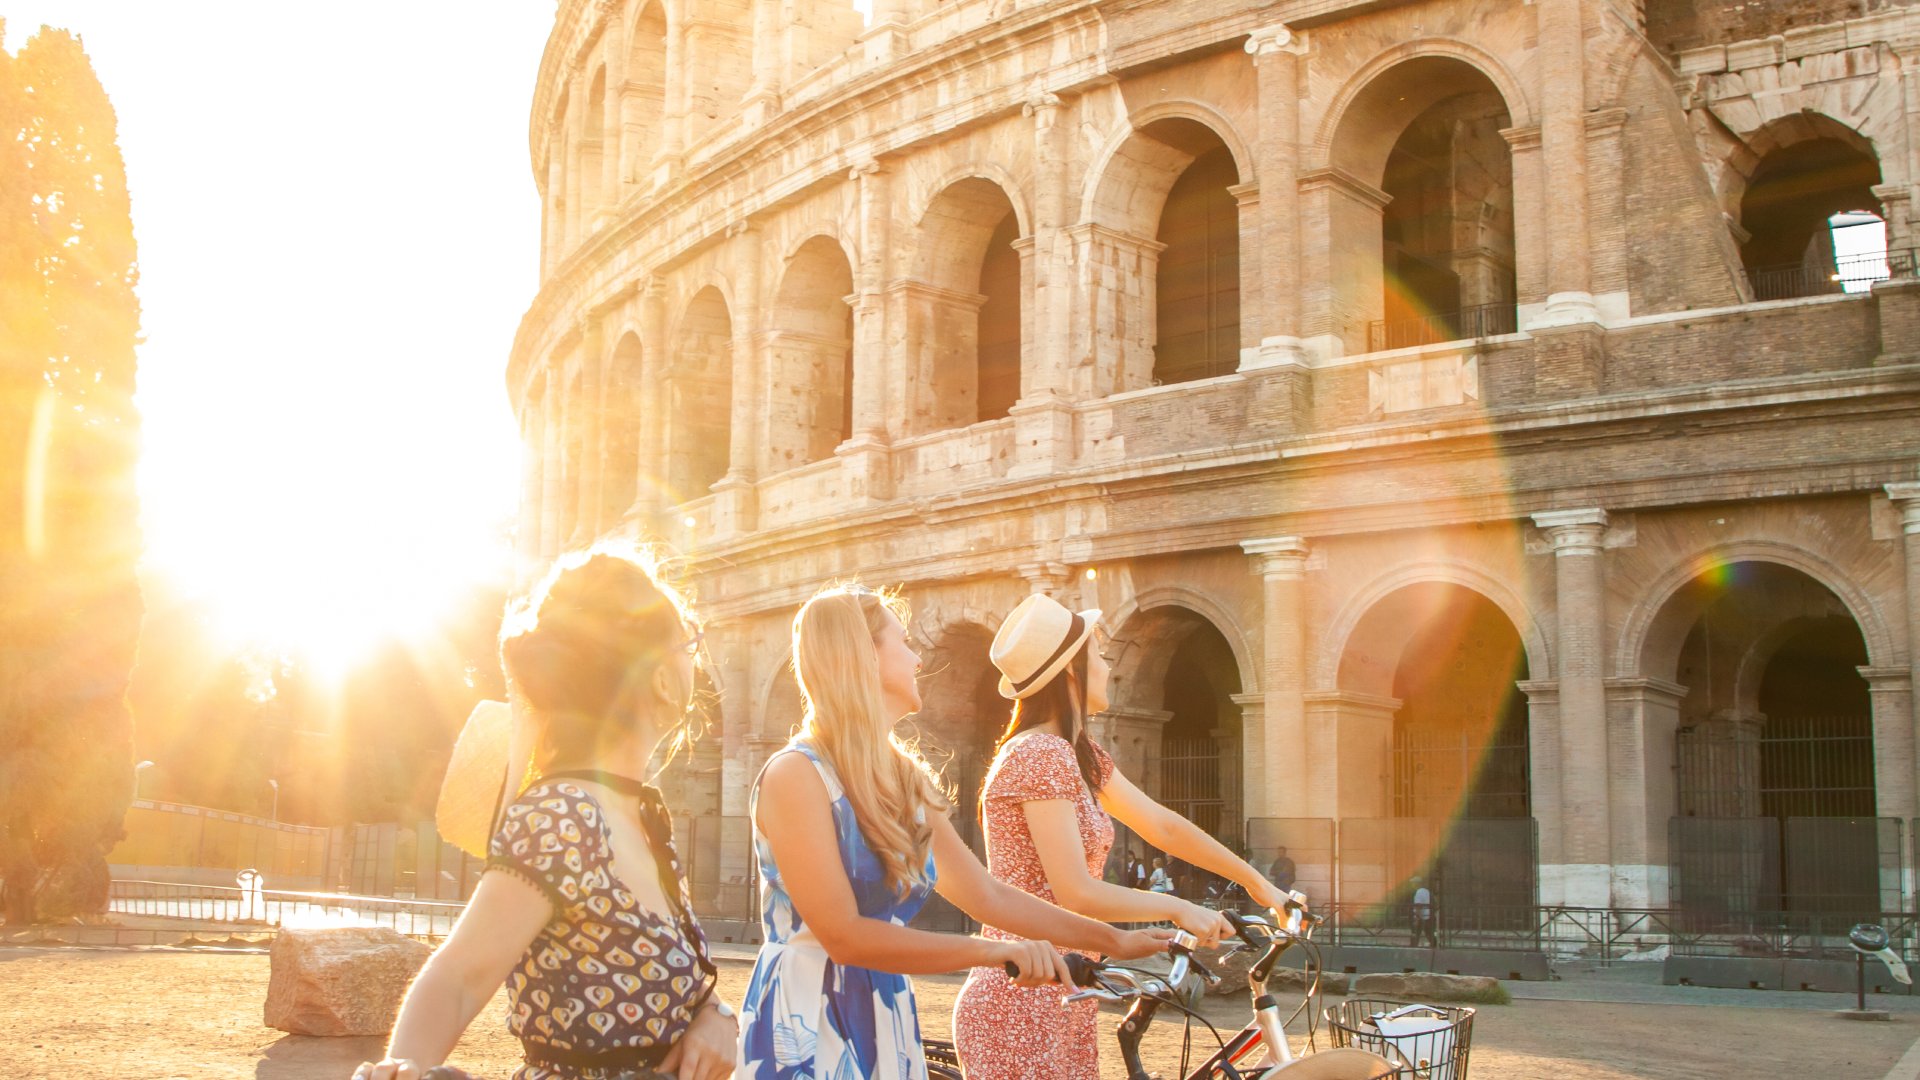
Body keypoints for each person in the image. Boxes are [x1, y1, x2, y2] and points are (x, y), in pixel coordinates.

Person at [740, 584, 1171, 1080]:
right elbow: (843, 936)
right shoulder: (795, 774)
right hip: (805, 1017)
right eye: (903, 643)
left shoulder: (903, 778)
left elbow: (988, 895)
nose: (918, 658)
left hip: (883, 1010)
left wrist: (1112, 940)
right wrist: (994, 951)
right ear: (862, 657)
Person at [355, 548, 737, 1080]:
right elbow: (460, 976)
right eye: (689, 642)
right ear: (662, 680)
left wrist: (716, 1017)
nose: (696, 658)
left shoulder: (637, 813)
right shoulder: (564, 817)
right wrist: (404, 1069)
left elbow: (668, 988)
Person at [952, 593, 1295, 1080]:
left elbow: (1161, 824)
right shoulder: (1041, 756)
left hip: (1065, 989)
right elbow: (1076, 892)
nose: (1108, 662)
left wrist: (1260, 886)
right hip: (1021, 1000)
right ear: (1071, 669)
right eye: (1098, 652)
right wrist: (1177, 907)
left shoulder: (1077, 753)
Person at [1410, 876, 1437, 948]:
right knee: (1429, 933)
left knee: (1415, 933)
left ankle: (1413, 948)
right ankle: (1435, 946)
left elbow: (1418, 906)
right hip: (1429, 916)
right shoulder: (1427, 891)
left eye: (1413, 883)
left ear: (1416, 884)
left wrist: (1417, 919)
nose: (1412, 885)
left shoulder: (1418, 892)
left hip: (1422, 917)